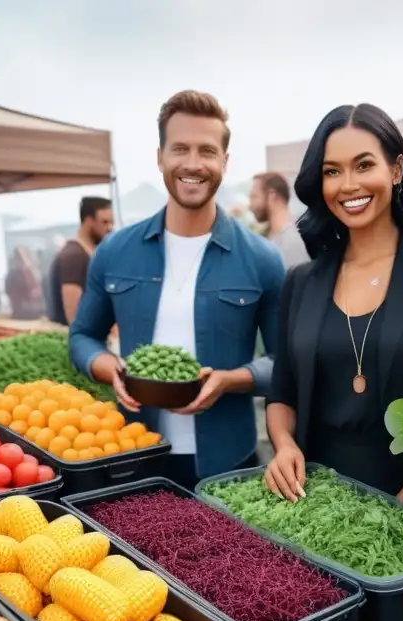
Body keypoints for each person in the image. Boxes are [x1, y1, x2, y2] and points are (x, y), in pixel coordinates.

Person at [263, 104, 403, 508]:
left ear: (396, 170)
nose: (348, 185)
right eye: (332, 171)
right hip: (313, 505)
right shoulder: (300, 282)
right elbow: (282, 392)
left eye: (364, 165)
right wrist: (282, 446)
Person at [69, 90, 285, 491]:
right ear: (160, 157)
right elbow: (82, 336)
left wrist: (231, 379)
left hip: (230, 465)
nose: (192, 163)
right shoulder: (115, 251)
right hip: (135, 456)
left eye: (206, 151)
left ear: (224, 161)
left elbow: (285, 360)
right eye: (180, 149)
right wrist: (105, 367)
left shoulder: (262, 258)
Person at [49, 197, 114, 325]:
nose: (110, 228)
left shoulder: (90, 253)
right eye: (104, 222)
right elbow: (73, 314)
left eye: (111, 222)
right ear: (89, 221)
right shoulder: (73, 256)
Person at [248, 172, 311, 270]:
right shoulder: (266, 237)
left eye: (254, 196)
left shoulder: (292, 241)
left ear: (272, 195)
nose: (250, 206)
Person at [5, 246, 45, 319]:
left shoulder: (33, 271)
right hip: (20, 312)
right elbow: (9, 291)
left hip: (35, 311)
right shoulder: (13, 274)